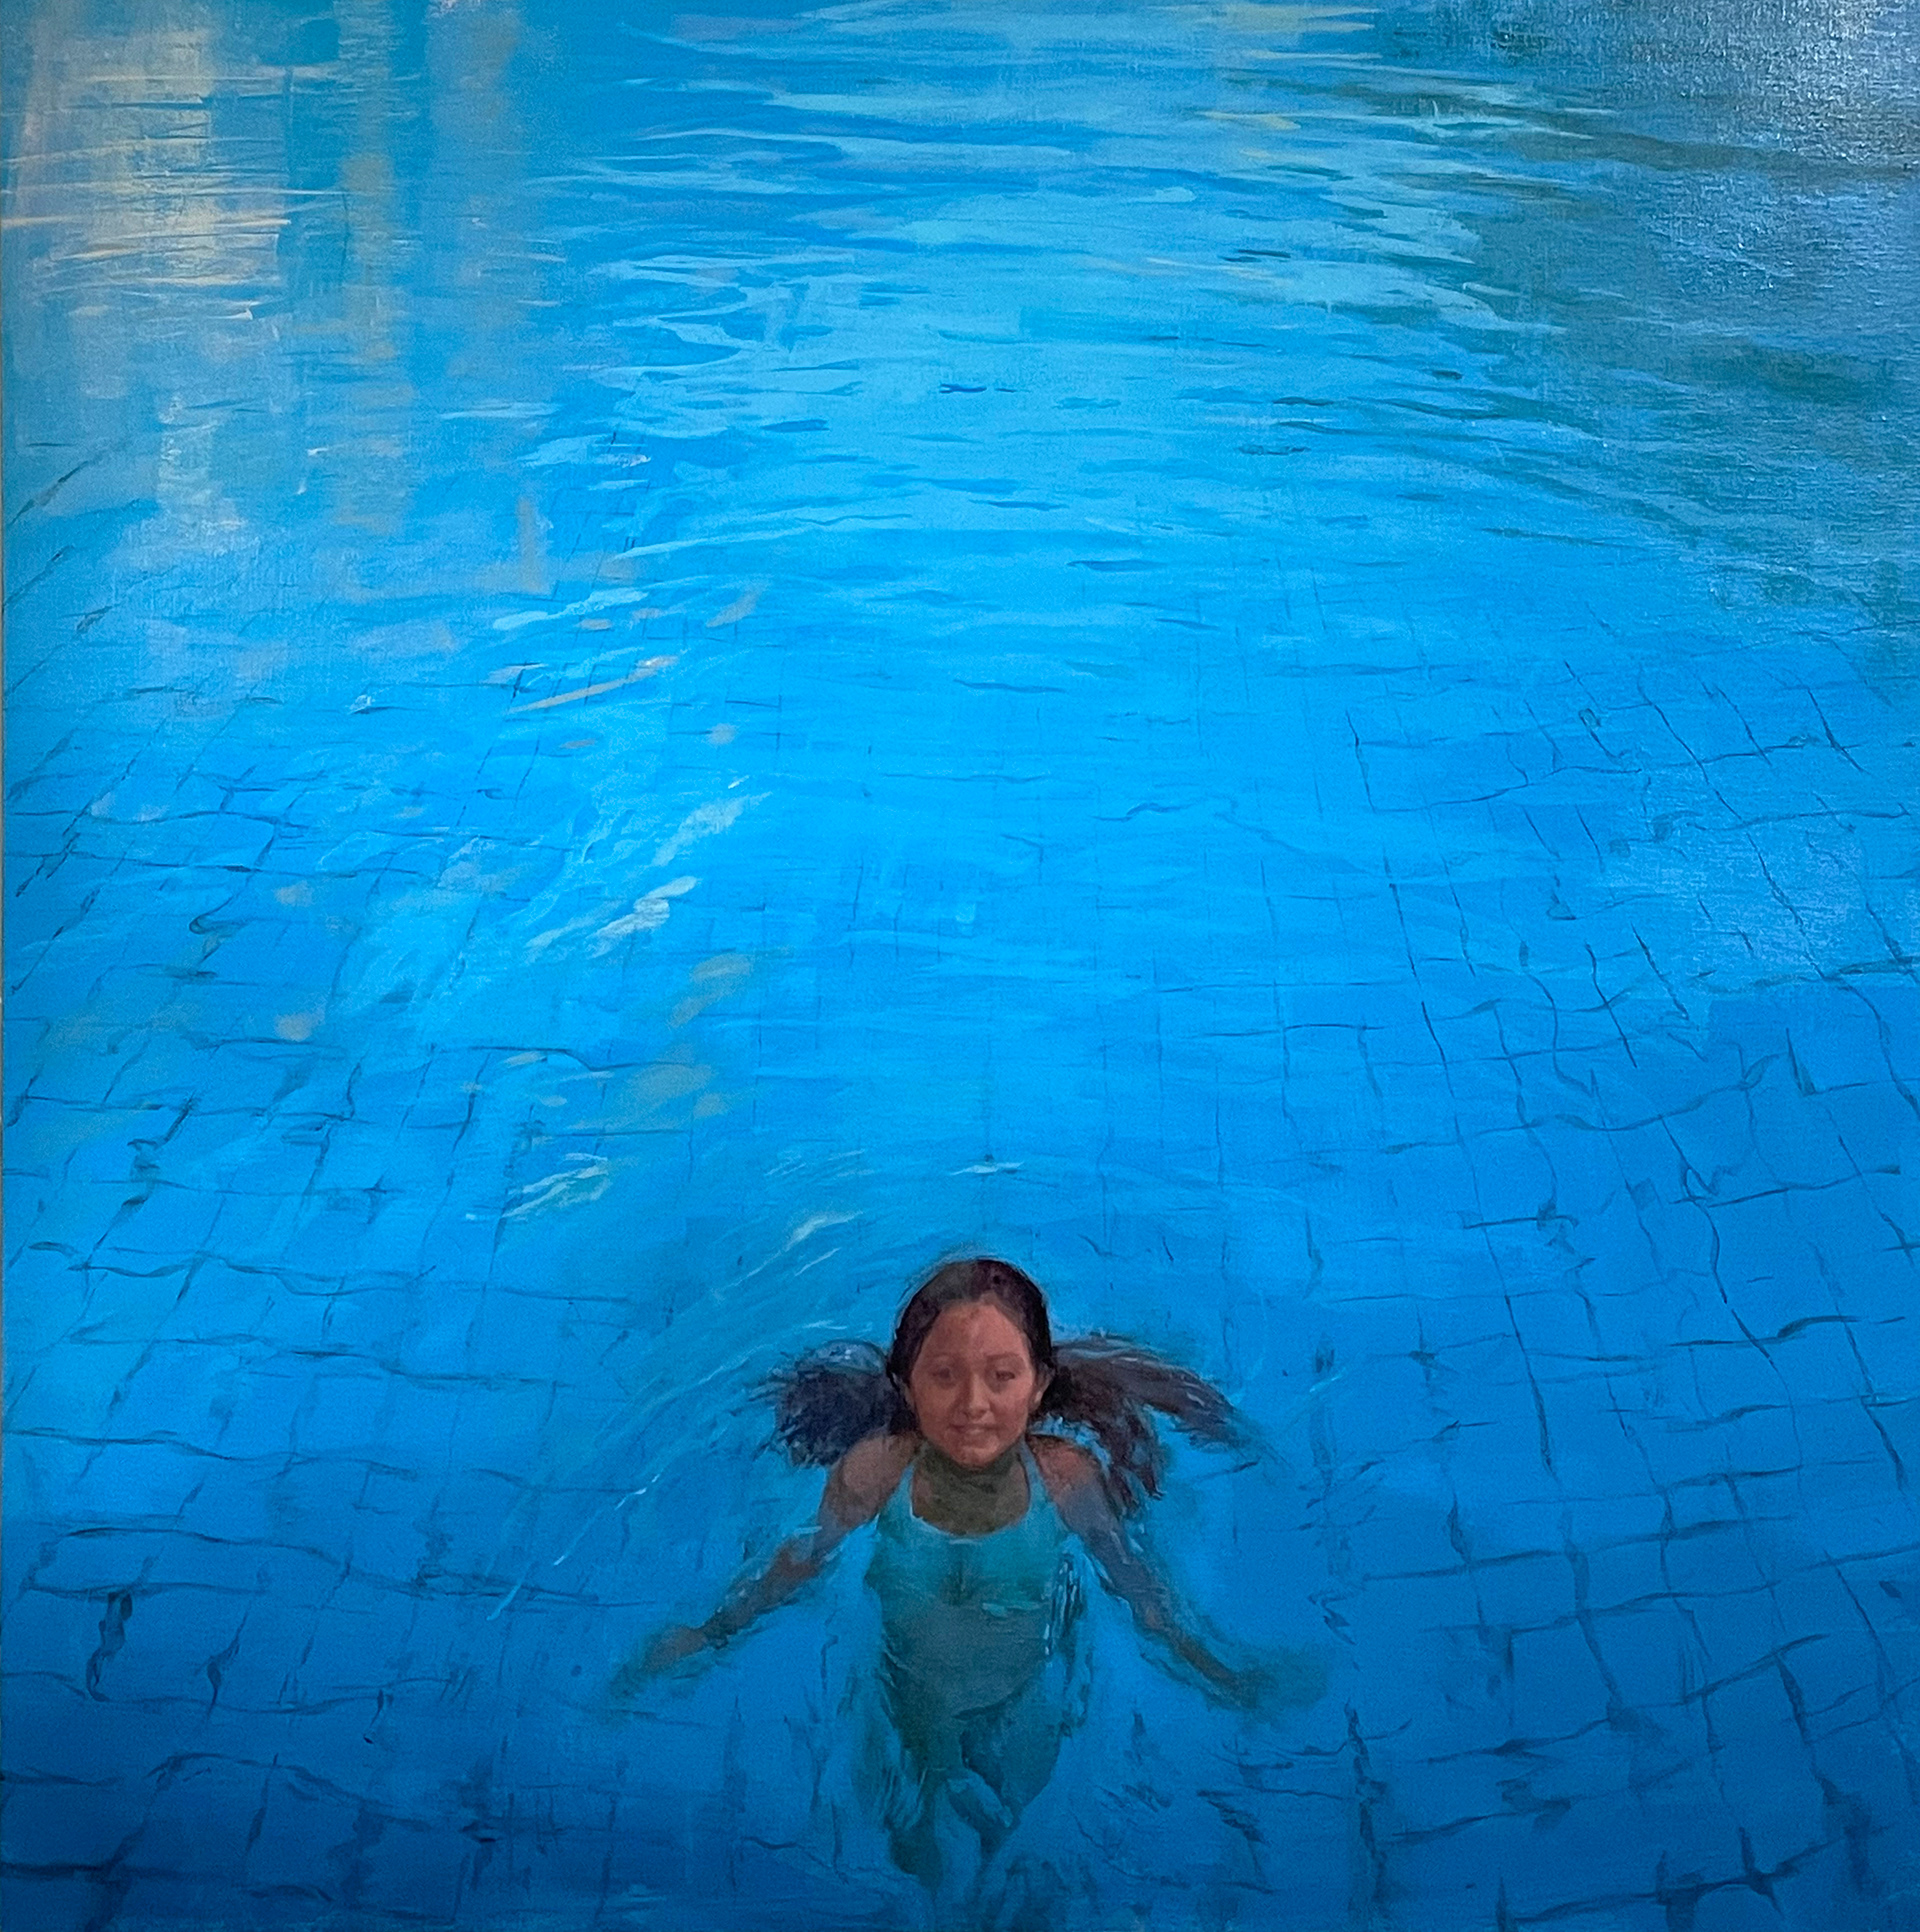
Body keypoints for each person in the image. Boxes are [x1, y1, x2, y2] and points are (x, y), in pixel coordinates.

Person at [615, 1257, 1322, 1902]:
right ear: (906, 1385)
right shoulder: (876, 1472)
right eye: (945, 1376)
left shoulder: (1065, 1479)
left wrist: (1220, 1673)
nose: (973, 1403)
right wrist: (711, 1633)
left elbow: (1141, 1593)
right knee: (919, 1858)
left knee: (1013, 1853)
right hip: (909, 1699)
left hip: (1023, 1702)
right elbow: (800, 1560)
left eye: (1002, 1376)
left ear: (1039, 1386)